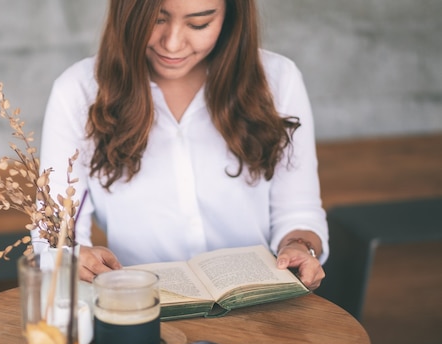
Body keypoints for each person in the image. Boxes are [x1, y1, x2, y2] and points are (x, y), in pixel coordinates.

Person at [38, 0, 328, 290]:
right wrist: (72, 259)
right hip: (142, 312)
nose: (173, 44)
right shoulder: (79, 92)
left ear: (231, 14)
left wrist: (300, 248)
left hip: (257, 312)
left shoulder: (279, 80)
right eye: (156, 19)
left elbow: (297, 212)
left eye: (198, 24)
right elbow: (53, 236)